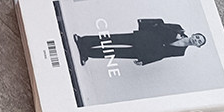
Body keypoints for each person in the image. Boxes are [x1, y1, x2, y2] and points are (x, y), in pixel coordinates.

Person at [74, 19, 206, 66]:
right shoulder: (178, 28)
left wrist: (145, 61)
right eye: (197, 37)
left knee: (114, 53)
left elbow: (162, 56)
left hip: (143, 52)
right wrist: (173, 35)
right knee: (113, 39)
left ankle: (88, 54)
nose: (196, 40)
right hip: (143, 38)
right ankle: (84, 41)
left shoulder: (181, 52)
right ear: (194, 34)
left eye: (198, 41)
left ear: (198, 46)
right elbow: (160, 26)